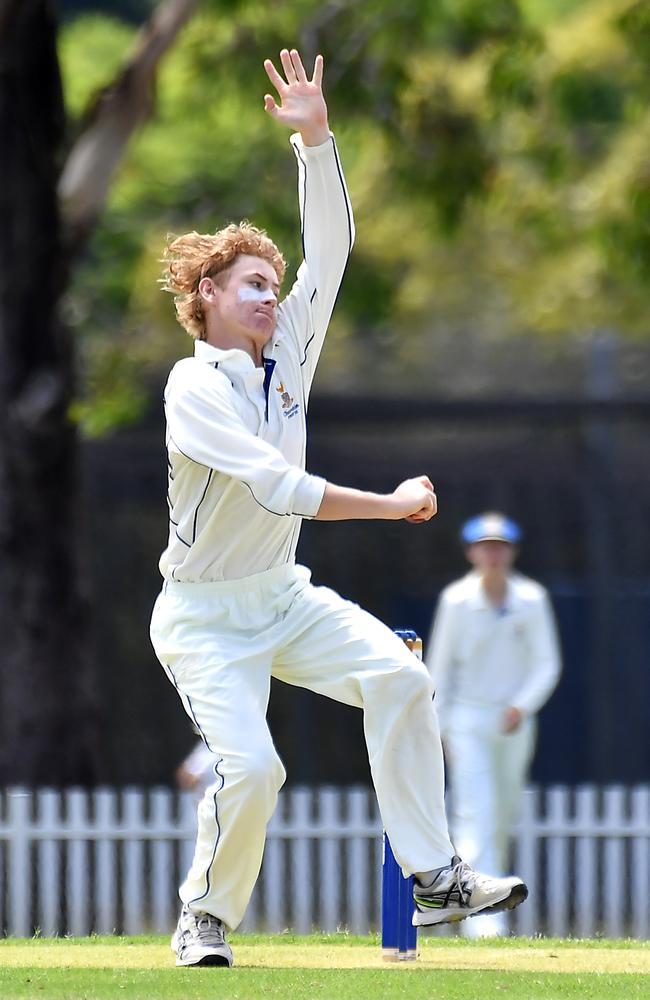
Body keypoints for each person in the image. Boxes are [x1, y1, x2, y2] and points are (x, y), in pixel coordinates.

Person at [149, 49, 528, 969]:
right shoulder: (194, 388)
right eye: (251, 286)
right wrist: (395, 506)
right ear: (208, 296)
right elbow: (281, 489)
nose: (272, 300)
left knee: (400, 680)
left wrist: (316, 142)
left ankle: (433, 875)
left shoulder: (289, 349)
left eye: (275, 289)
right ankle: (205, 920)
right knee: (256, 771)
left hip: (281, 592)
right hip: (203, 617)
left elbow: (335, 249)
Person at [426, 512, 561, 937]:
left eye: (500, 546)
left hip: (515, 721)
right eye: (485, 546)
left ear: (512, 551)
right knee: (476, 810)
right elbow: (439, 669)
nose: (493, 554)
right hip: (467, 718)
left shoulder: (532, 598)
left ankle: (481, 901)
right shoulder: (456, 600)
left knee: (504, 810)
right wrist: (441, 726)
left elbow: (547, 663)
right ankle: (479, 926)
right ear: (471, 552)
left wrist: (522, 706)